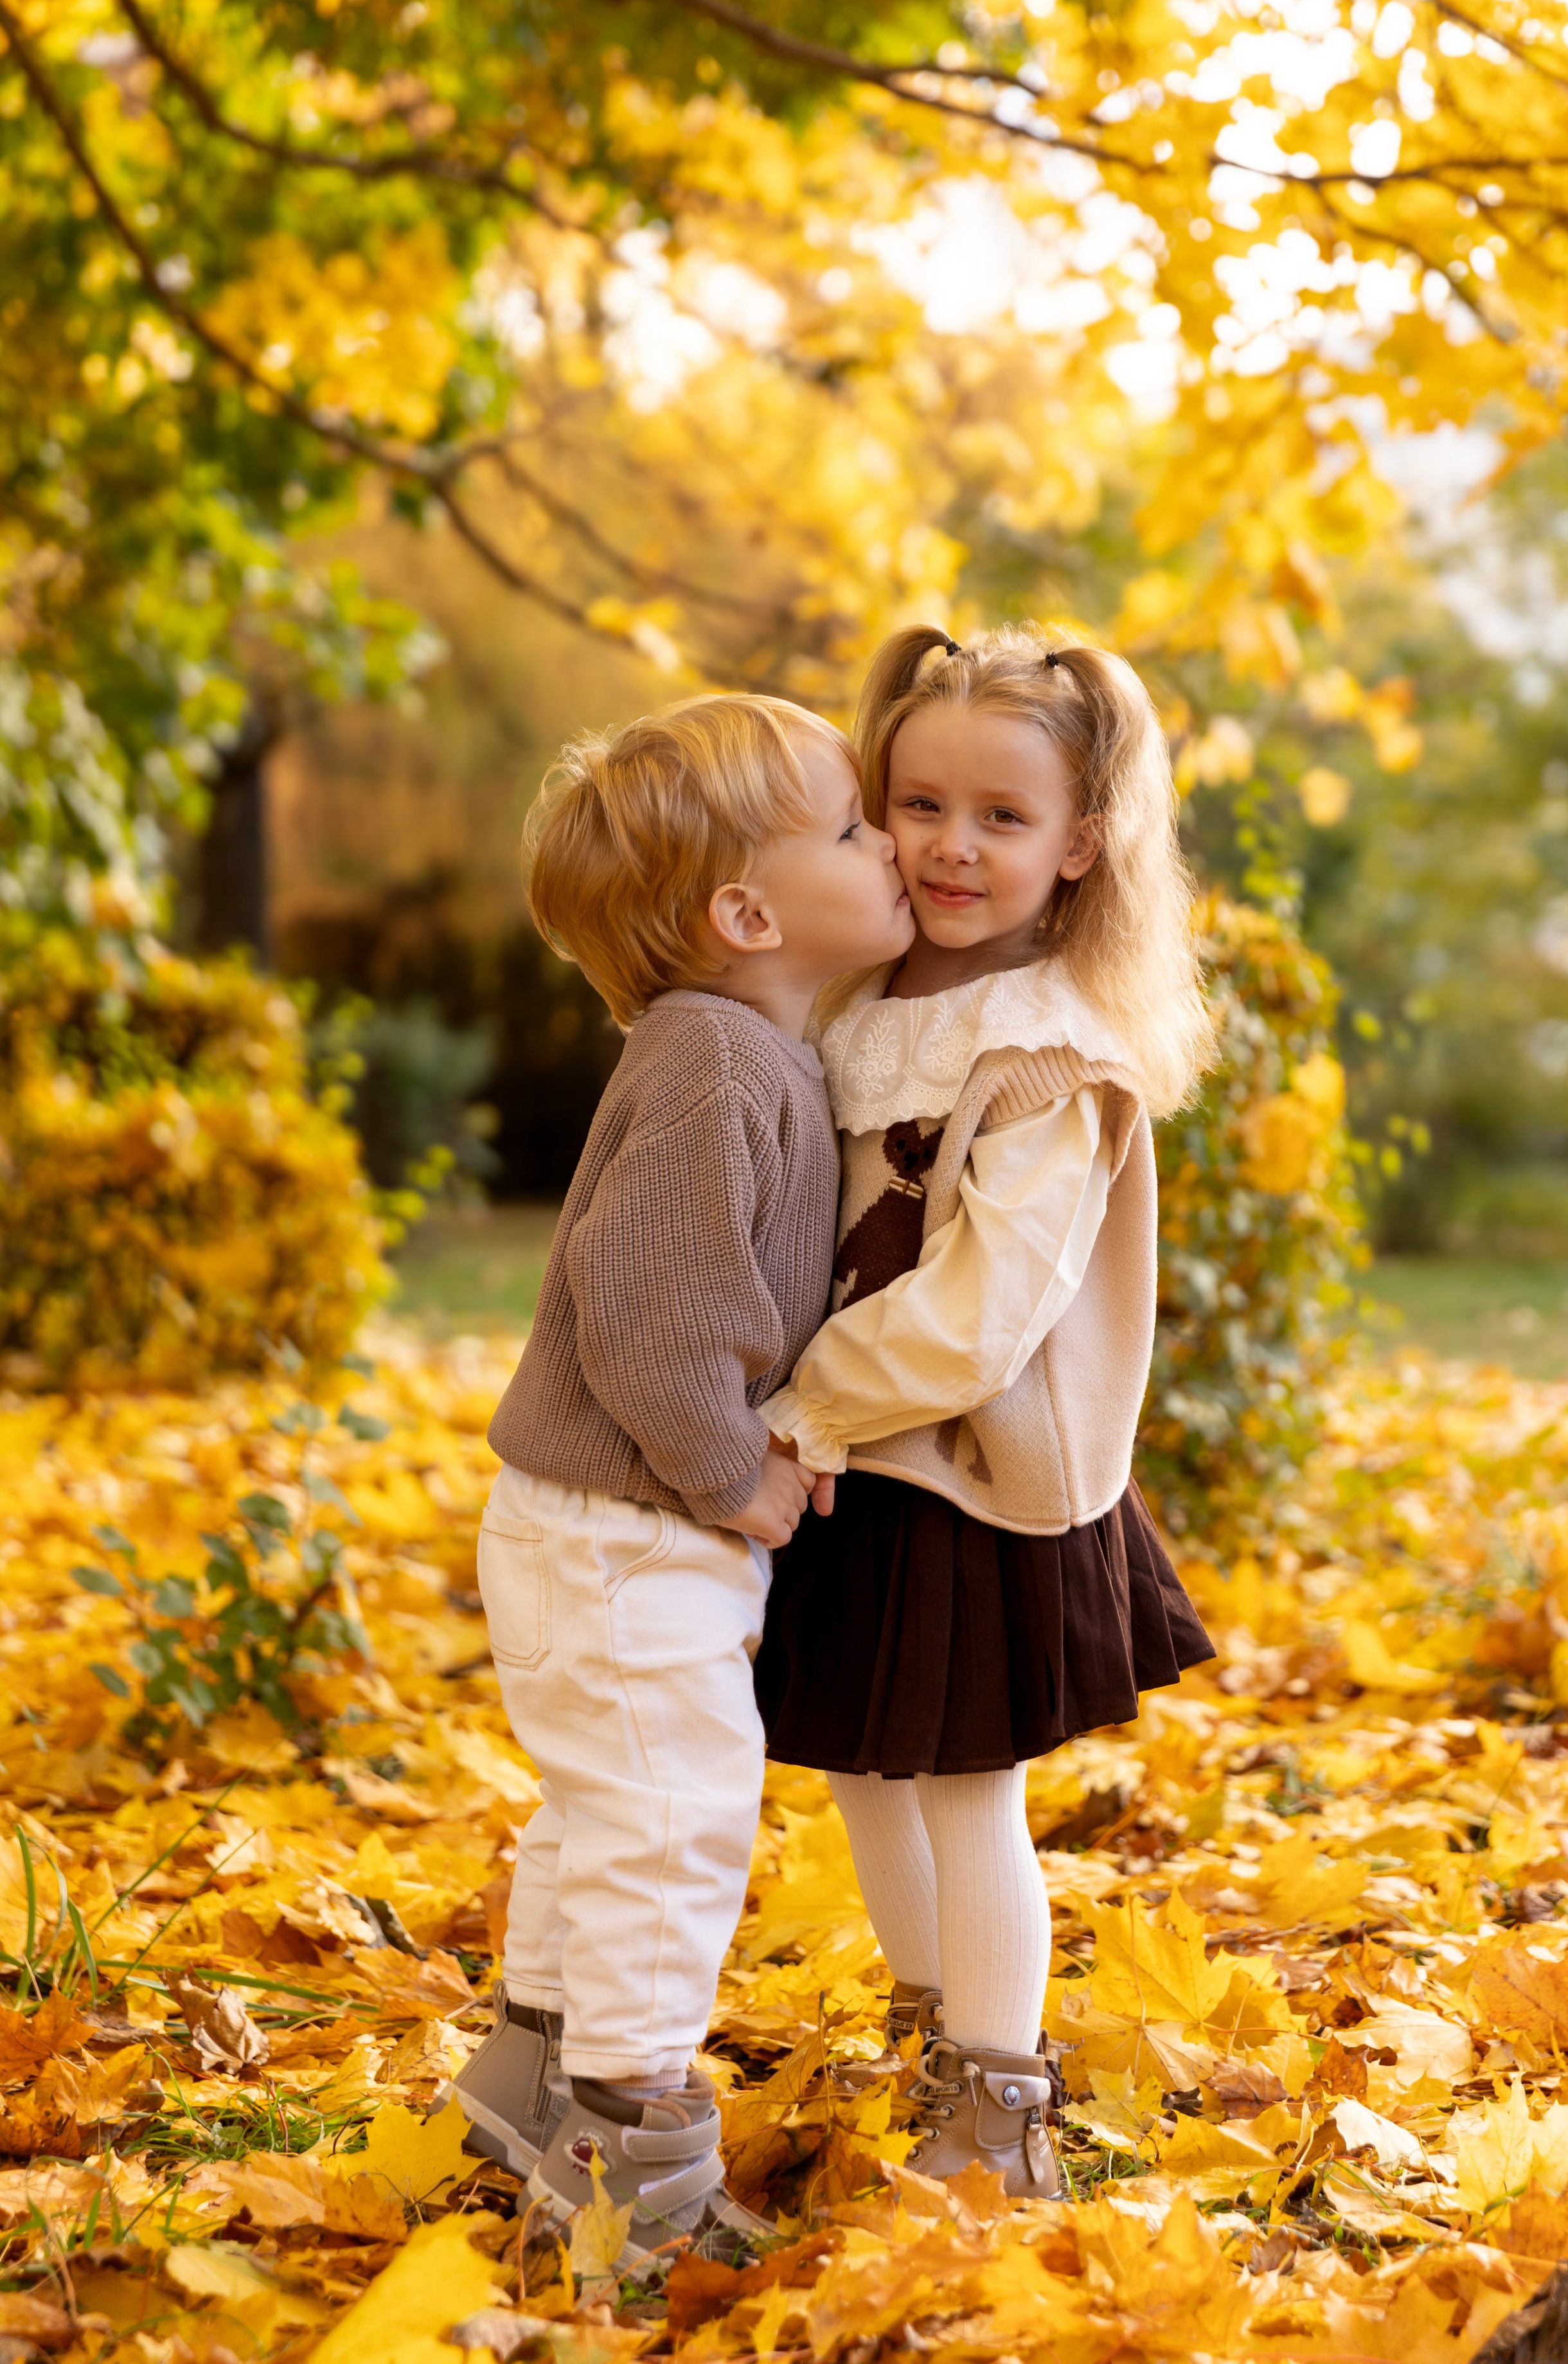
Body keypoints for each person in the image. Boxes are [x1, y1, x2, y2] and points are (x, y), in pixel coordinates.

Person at [754, 624, 1218, 2199]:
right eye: (919, 804)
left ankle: (998, 2093)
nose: (951, 846)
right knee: (855, 1761)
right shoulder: (847, 1004)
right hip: (835, 1464)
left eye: (1002, 818)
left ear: (1081, 842)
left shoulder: (1050, 1056)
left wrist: (804, 1403)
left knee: (963, 1788)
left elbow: (981, 1313)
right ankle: (925, 2013)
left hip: (955, 1467)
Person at [445, 693, 911, 2262]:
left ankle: (528, 2077)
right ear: (747, 913)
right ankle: (630, 2168)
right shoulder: (719, 1064)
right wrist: (735, 1476)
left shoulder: (740, 1046)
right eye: (854, 826)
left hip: (591, 1529)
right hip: (629, 1531)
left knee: (601, 1809)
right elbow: (647, 1313)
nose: (890, 843)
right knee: (671, 1824)